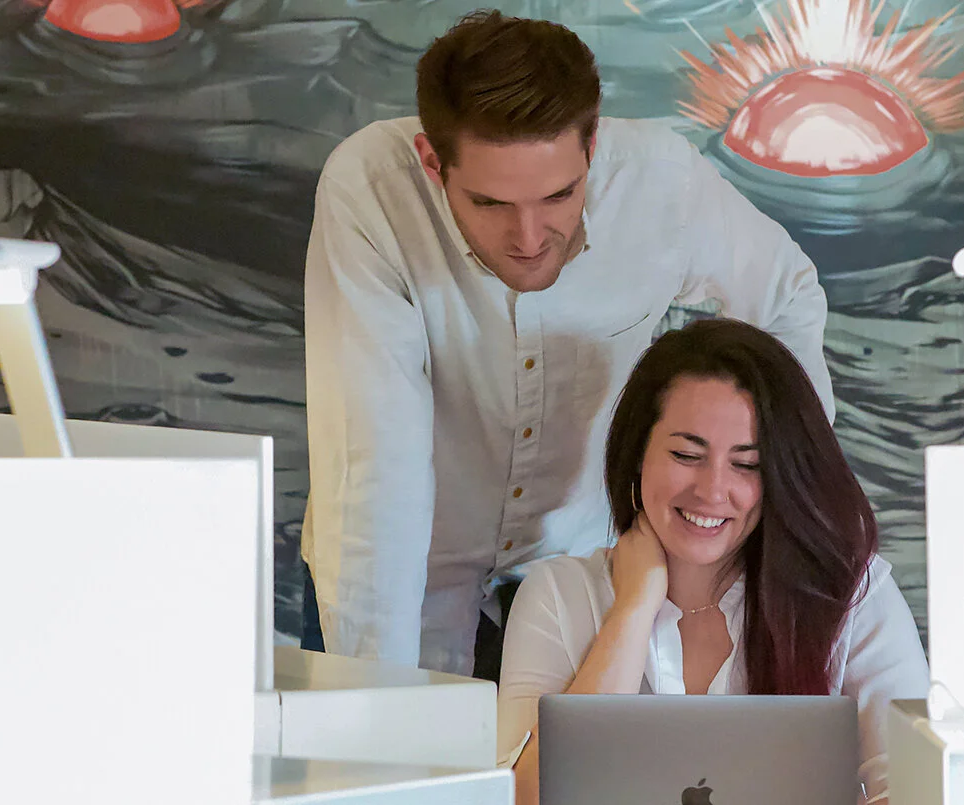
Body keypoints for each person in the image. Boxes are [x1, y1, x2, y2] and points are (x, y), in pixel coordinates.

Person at [301, 10, 834, 678]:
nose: (529, 237)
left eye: (559, 195)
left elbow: (786, 295)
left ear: (592, 146)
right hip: (395, 585)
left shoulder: (660, 183)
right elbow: (376, 466)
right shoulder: (370, 193)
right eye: (491, 203)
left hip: (580, 582)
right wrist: (378, 707)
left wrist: (785, 497)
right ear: (433, 163)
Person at [496, 318, 928, 805]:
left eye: (747, 465)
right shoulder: (557, 595)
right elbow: (523, 798)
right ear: (638, 454)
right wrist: (633, 611)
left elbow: (917, 787)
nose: (711, 491)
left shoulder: (852, 595)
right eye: (686, 454)